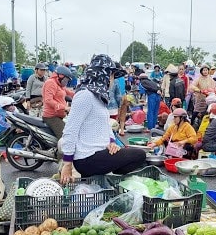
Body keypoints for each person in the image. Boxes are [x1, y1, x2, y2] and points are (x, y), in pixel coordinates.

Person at [59, 54, 146, 182]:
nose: (112, 80)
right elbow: (70, 130)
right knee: (140, 155)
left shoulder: (98, 96)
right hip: (87, 158)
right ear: (102, 75)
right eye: (111, 76)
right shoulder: (85, 95)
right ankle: (115, 181)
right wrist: (67, 164)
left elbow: (105, 126)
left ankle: (102, 184)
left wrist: (111, 142)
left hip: (98, 153)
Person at [42, 65, 75, 139]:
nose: (66, 82)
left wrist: (80, 94)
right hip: (51, 117)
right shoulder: (51, 83)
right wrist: (65, 108)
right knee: (66, 138)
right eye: (66, 80)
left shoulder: (60, 85)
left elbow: (69, 92)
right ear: (60, 76)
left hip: (59, 115)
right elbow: (48, 100)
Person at [190, 64, 216, 129]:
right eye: (204, 70)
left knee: (207, 112)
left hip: (208, 98)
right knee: (196, 111)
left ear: (208, 71)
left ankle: (204, 126)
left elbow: (214, 87)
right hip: (200, 98)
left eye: (206, 70)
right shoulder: (199, 79)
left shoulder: (210, 79)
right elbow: (192, 86)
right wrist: (199, 90)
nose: (205, 71)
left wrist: (215, 91)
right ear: (201, 71)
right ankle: (191, 123)